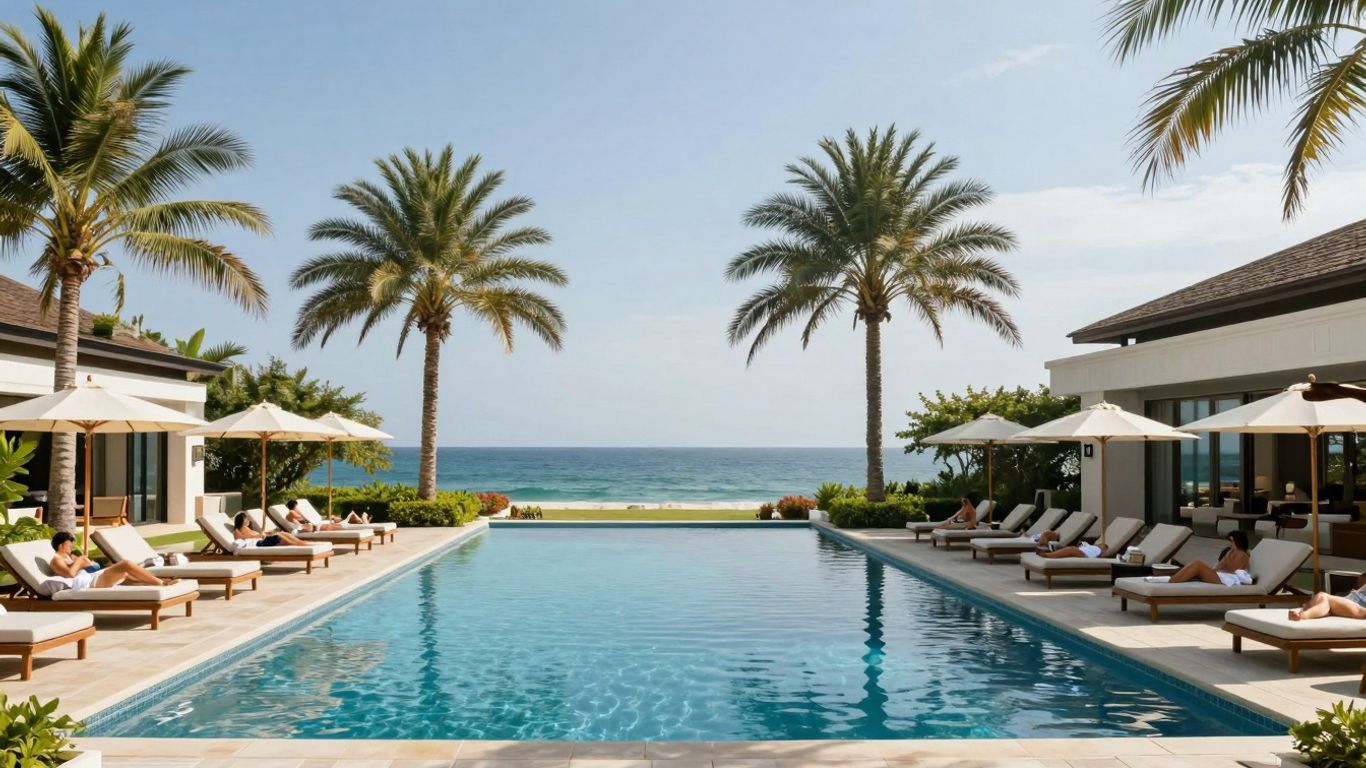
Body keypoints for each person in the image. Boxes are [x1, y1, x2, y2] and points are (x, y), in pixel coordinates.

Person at [47, 531, 178, 591]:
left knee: (126, 574)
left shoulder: (70, 557)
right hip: (90, 582)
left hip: (94, 576)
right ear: (60, 546)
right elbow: (70, 574)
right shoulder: (56, 560)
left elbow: (89, 565)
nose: (71, 547)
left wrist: (81, 560)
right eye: (69, 545)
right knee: (126, 564)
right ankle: (161, 583)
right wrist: (80, 559)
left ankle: (156, 581)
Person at [1159, 531, 1253, 585]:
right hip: (1221, 575)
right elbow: (1220, 566)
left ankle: (1171, 581)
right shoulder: (1231, 552)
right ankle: (1172, 577)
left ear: (1239, 541)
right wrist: (1213, 569)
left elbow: (1231, 570)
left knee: (1198, 564)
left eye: (1232, 541)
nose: (1230, 544)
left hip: (1228, 579)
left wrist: (1228, 556)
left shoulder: (1242, 555)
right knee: (1194, 566)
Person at [1289, 574, 1366, 621]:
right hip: (1351, 601)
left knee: (1325, 598)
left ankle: (1303, 615)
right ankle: (1309, 610)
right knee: (1321, 595)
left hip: (1360, 608)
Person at [233, 512, 309, 548]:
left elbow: (256, 535)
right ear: (241, 521)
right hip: (259, 543)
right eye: (246, 519)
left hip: (262, 540)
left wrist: (264, 533)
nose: (248, 521)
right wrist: (261, 535)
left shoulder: (248, 528)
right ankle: (300, 544)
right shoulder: (238, 530)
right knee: (280, 535)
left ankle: (301, 542)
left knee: (282, 533)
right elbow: (244, 538)